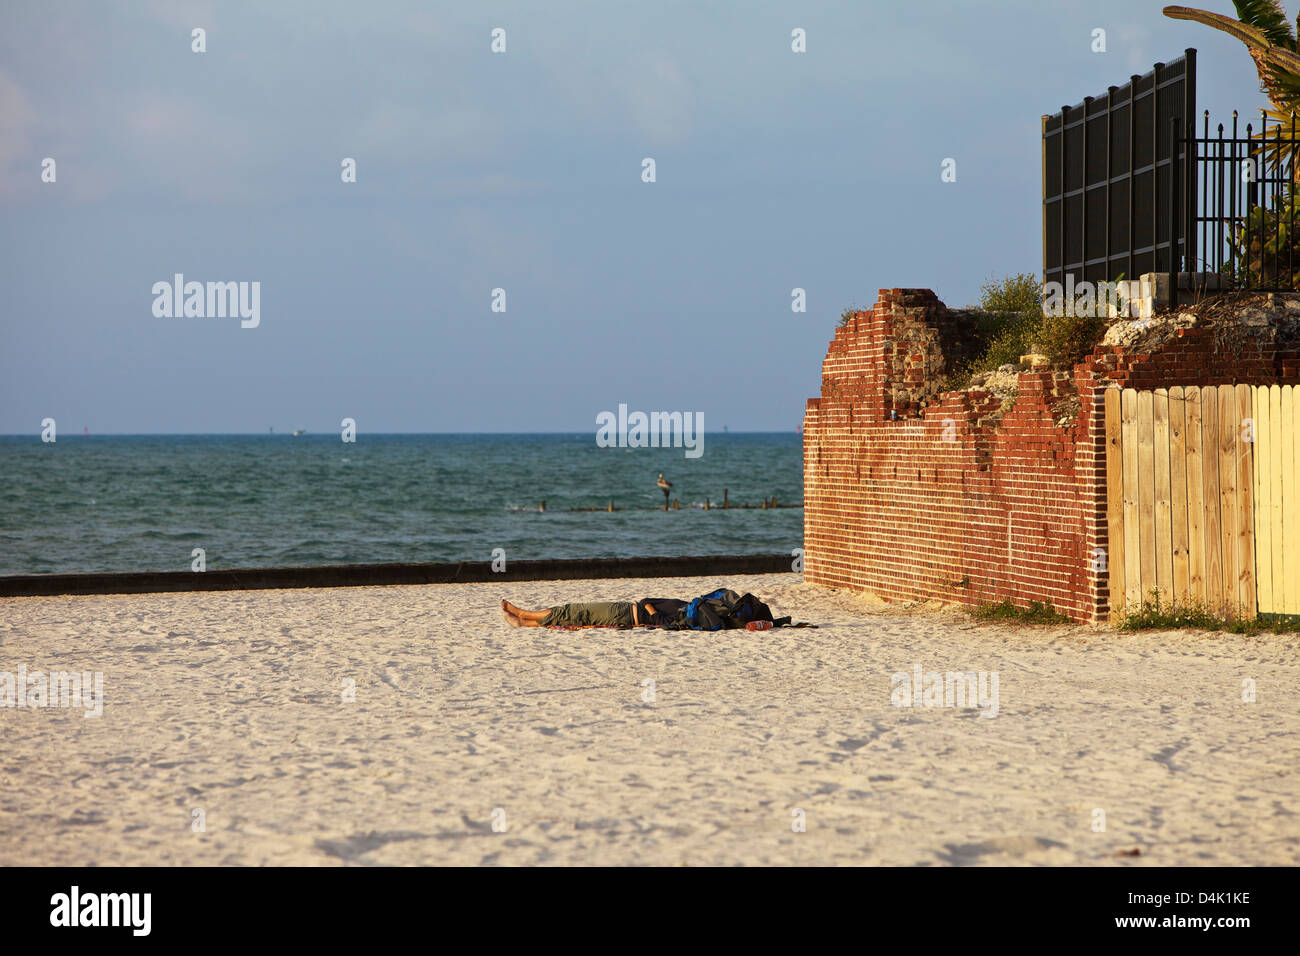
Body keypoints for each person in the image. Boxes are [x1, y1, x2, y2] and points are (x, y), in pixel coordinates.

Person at [501, 598, 686, 629]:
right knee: (575, 614)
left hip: (624, 615)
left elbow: (662, 622)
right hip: (624, 608)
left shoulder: (684, 615)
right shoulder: (682, 605)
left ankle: (523, 614)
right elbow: (647, 600)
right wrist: (649, 607)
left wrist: (651, 610)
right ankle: (525, 622)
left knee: (573, 612)